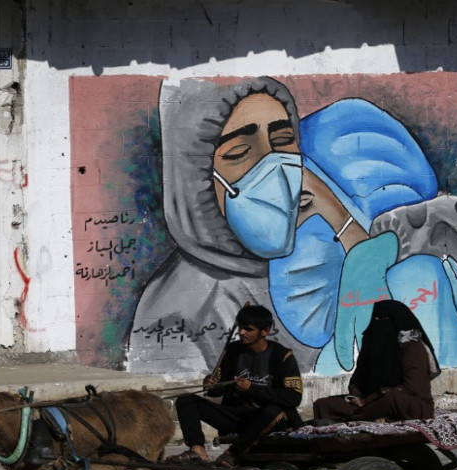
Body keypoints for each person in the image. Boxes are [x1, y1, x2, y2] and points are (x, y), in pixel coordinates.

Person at [127, 76, 317, 375]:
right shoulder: (176, 311)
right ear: (196, 177)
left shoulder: (314, 263)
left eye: (282, 142)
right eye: (240, 152)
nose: (275, 167)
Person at [165, 305, 303, 467]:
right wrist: (211, 384)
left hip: (266, 419)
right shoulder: (233, 351)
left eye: (248, 329)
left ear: (265, 331)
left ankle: (232, 453)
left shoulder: (282, 356)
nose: (241, 332)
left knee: (273, 411)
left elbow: (293, 397)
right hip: (237, 415)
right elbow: (220, 389)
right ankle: (197, 450)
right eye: (240, 327)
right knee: (186, 400)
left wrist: (252, 389)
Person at [312, 300, 438, 423]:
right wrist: (356, 397)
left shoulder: (412, 347)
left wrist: (370, 400)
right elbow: (357, 380)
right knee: (323, 404)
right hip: (367, 403)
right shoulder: (371, 345)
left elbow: (412, 388)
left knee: (391, 400)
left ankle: (350, 419)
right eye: (376, 319)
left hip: (408, 404)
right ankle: (366, 417)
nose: (379, 324)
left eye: (385, 319)